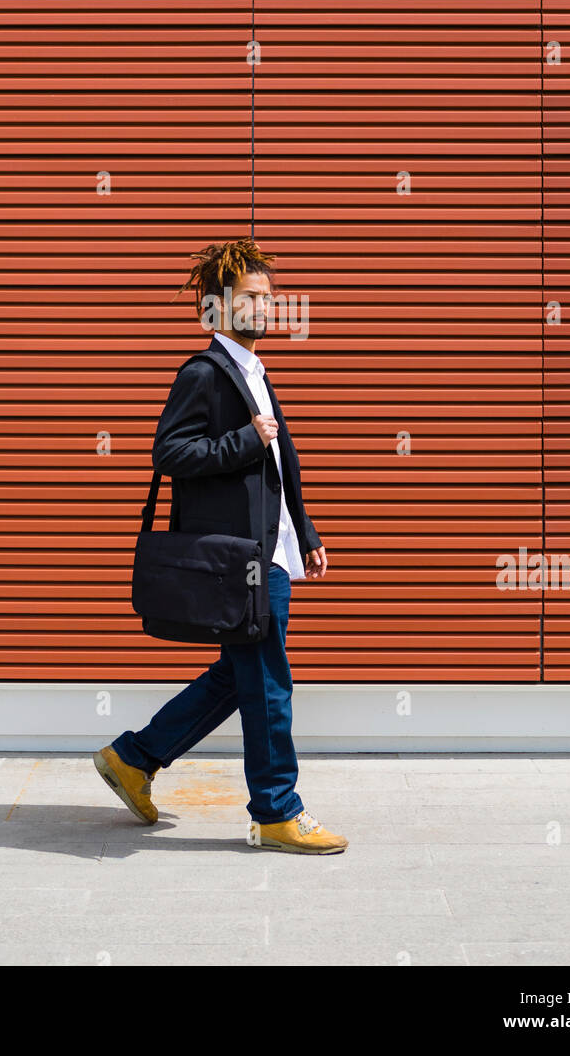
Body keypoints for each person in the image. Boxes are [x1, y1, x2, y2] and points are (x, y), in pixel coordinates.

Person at [93, 238, 348, 854]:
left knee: (241, 678)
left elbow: (281, 464)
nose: (266, 308)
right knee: (268, 684)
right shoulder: (204, 374)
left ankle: (134, 757)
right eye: (252, 298)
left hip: (272, 551)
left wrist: (305, 531)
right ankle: (277, 810)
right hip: (242, 560)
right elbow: (170, 454)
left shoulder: (256, 374)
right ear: (216, 307)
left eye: (270, 298)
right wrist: (241, 441)